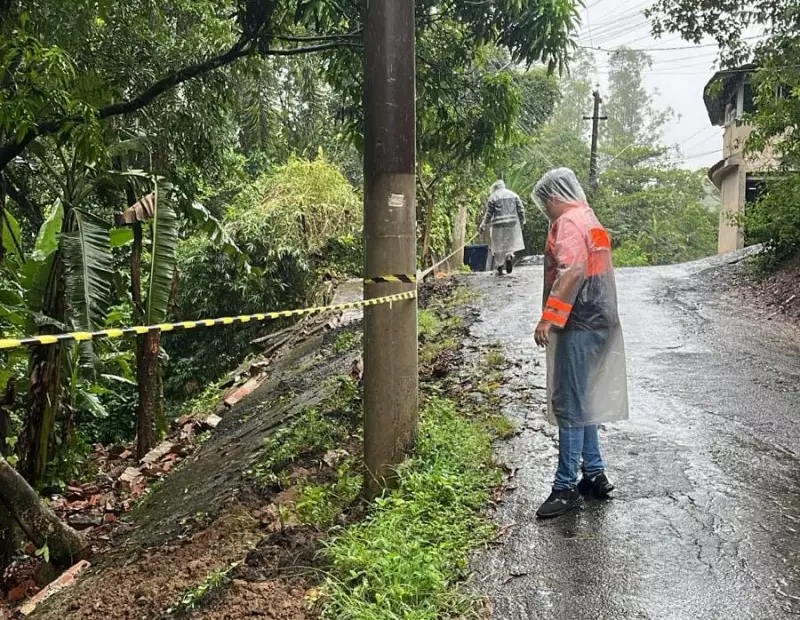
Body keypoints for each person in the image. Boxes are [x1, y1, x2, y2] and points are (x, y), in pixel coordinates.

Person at [530, 167, 629, 519]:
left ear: (554, 197)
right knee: (586, 398)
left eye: (545, 203)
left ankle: (565, 486)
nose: (546, 210)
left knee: (570, 403)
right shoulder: (589, 219)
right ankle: (594, 473)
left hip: (578, 323)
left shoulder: (568, 222)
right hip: (601, 321)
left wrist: (550, 318)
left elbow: (571, 271)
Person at [479, 180, 526, 275]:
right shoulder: (513, 195)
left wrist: (483, 225)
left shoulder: (493, 197)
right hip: (512, 224)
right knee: (510, 244)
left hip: (497, 225)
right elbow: (521, 209)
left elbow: (488, 214)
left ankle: (499, 267)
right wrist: (522, 220)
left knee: (498, 246)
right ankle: (509, 256)